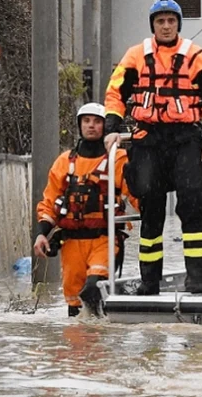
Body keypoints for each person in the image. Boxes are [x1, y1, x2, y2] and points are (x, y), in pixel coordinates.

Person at [102, 0, 202, 295]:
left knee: (193, 203)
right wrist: (111, 129)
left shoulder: (196, 56)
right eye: (161, 21)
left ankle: (198, 278)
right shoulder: (136, 56)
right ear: (153, 25)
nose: (166, 26)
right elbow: (115, 93)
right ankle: (149, 281)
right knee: (151, 207)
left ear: (178, 24)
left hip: (186, 137)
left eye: (171, 20)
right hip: (149, 137)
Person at [33, 103, 137, 317]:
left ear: (105, 126)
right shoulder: (64, 162)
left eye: (97, 121)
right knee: (74, 301)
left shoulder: (117, 159)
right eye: (87, 121)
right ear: (79, 125)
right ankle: (80, 346)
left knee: (93, 288)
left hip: (104, 239)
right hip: (72, 244)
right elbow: (50, 202)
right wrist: (42, 233)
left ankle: (99, 341)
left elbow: (136, 194)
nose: (91, 126)